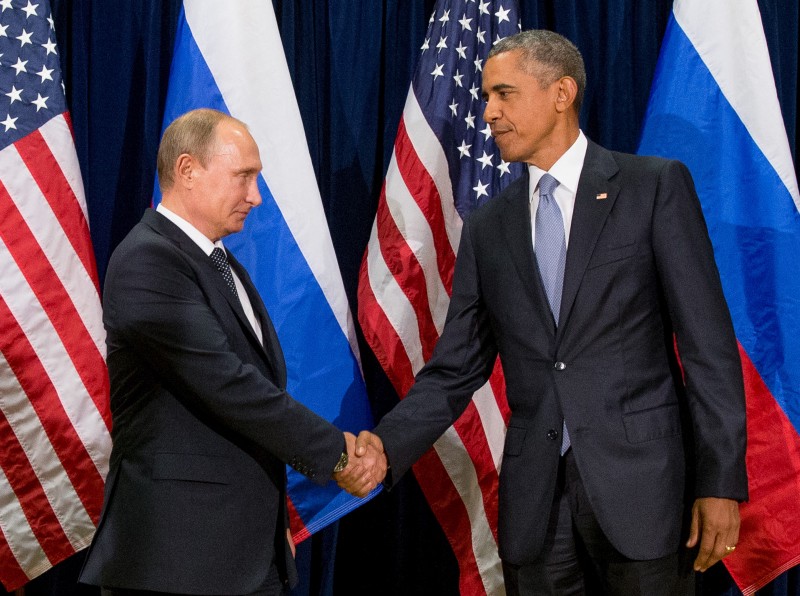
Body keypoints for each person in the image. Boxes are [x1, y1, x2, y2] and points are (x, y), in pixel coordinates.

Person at [348, 30, 748, 595]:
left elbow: (708, 347)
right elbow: (455, 367)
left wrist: (722, 482)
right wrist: (386, 449)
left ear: (562, 93)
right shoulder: (489, 226)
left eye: (504, 94)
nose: (488, 112)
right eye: (486, 96)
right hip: (536, 507)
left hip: (644, 497)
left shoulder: (651, 188)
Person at [80, 108, 381, 596]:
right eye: (243, 176)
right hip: (176, 562)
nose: (256, 197)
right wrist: (338, 457)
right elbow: (229, 386)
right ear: (187, 170)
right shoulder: (148, 261)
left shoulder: (220, 265)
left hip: (240, 554)